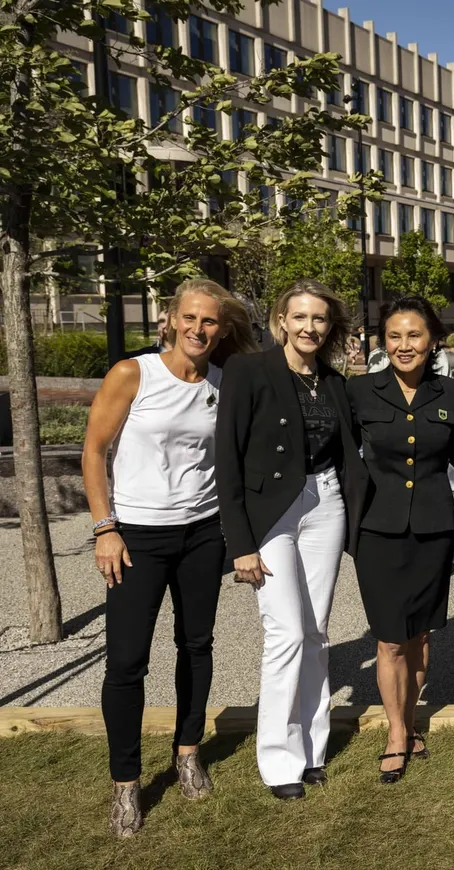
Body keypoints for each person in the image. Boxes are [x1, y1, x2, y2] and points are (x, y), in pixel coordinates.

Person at [81, 279, 257, 837]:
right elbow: (93, 451)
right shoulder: (134, 374)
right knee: (127, 661)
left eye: (210, 322)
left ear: (221, 329)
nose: (198, 329)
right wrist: (104, 528)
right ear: (170, 319)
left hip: (203, 535)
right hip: (136, 537)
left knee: (196, 645)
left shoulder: (224, 384)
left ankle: (187, 752)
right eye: (190, 318)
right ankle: (126, 783)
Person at [215, 279, 365, 800]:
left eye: (319, 319)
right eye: (299, 317)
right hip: (270, 514)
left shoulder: (334, 382)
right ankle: (279, 759)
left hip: (325, 505)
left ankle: (313, 748)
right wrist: (241, 543)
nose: (309, 327)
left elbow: (348, 456)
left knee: (316, 629)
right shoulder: (248, 371)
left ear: (330, 327)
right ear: (281, 320)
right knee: (285, 633)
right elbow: (227, 459)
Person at [346, 296, 454, 784]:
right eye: (394, 335)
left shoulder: (451, 394)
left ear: (432, 339)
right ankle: (397, 733)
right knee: (390, 639)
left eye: (414, 335)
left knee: (420, 636)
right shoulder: (359, 391)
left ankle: (411, 720)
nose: (403, 345)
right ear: (382, 341)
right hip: (378, 530)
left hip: (436, 529)